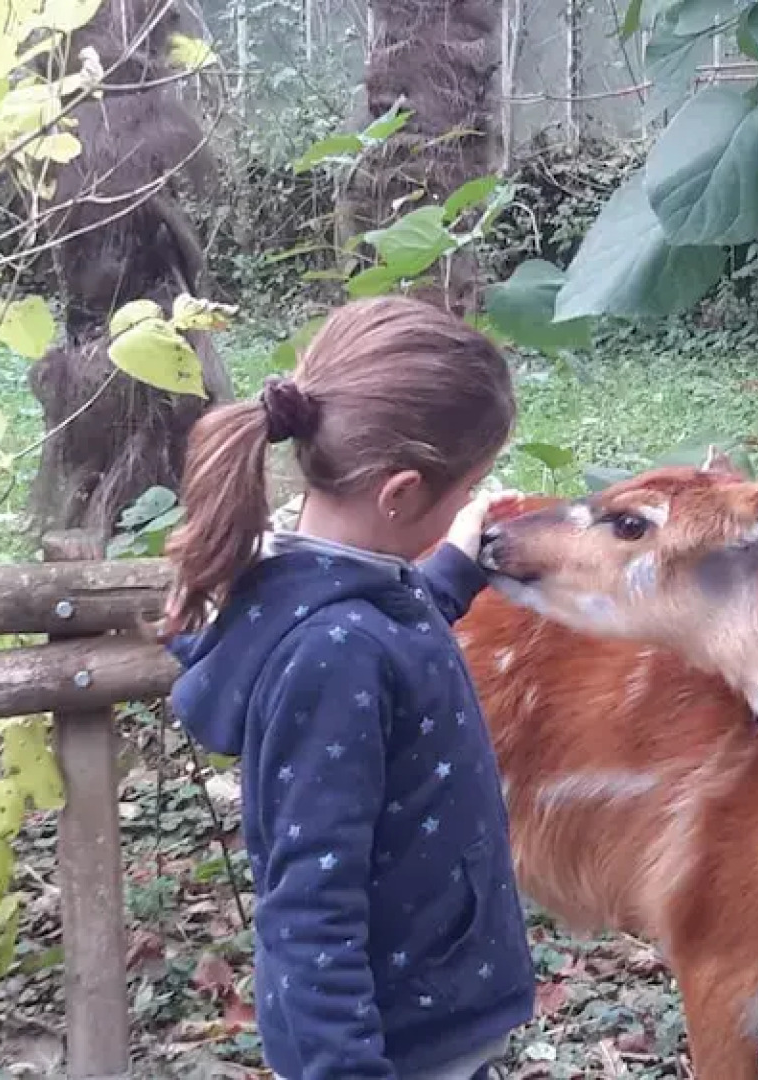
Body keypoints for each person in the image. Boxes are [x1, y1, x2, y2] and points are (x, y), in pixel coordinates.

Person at [159, 296, 533, 1080]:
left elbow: (393, 639)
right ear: (400, 494)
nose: (467, 502)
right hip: (399, 1046)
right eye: (466, 488)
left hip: (435, 1009)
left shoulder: (342, 594)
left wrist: (452, 568)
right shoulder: (334, 655)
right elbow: (310, 911)